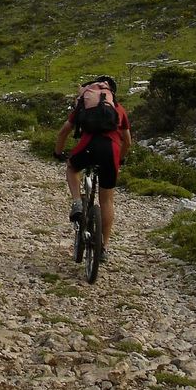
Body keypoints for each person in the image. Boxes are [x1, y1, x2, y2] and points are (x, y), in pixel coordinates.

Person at [54, 75, 131, 262]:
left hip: (87, 146)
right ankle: (103, 248)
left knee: (72, 168)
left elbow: (64, 130)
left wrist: (58, 152)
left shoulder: (84, 106)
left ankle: (77, 202)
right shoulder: (118, 109)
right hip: (110, 151)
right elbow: (127, 141)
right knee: (107, 201)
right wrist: (119, 160)